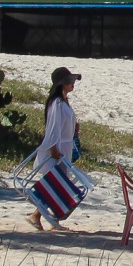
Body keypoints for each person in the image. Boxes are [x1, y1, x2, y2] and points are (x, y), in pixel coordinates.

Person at [26, 67, 83, 231]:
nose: (72, 84)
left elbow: (64, 124)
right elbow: (53, 127)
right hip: (56, 148)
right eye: (69, 81)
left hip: (63, 147)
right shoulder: (56, 103)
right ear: (62, 84)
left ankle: (51, 219)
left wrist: (74, 128)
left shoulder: (64, 101)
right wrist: (52, 147)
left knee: (58, 184)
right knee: (55, 183)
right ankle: (37, 216)